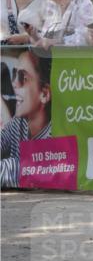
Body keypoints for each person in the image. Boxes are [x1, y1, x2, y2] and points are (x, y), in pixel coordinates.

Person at [1, 47, 52, 188]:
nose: (14, 83)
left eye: (23, 77)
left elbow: (23, 170)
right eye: (13, 74)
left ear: (44, 94)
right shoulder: (19, 123)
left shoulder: (54, 133)